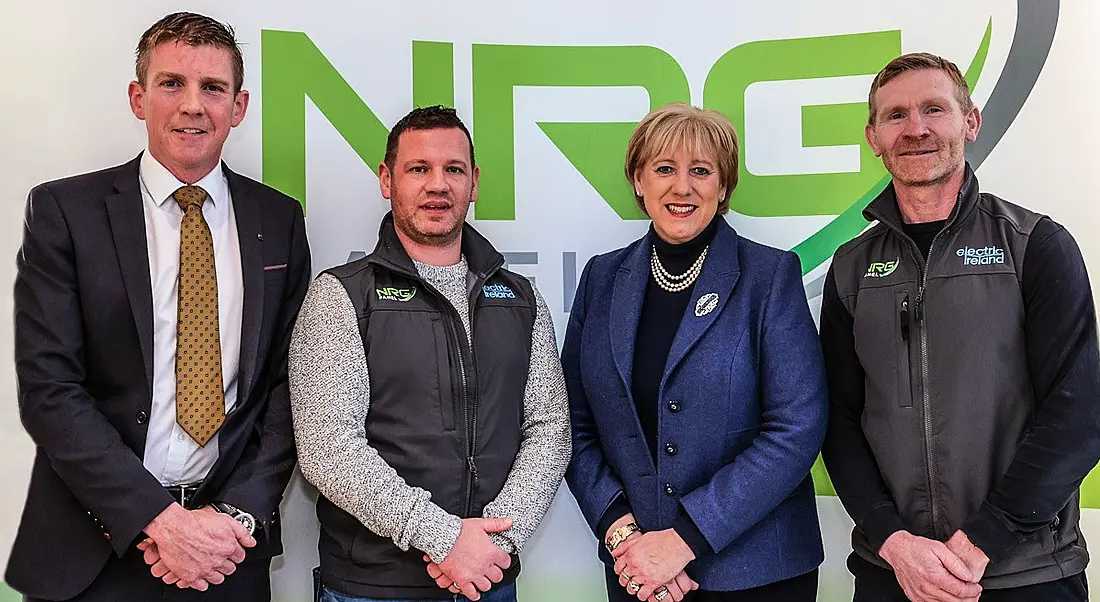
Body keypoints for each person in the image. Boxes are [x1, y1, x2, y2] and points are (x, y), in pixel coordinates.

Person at [5, 11, 311, 602]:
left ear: (239, 107)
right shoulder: (66, 212)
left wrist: (238, 518)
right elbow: (49, 389)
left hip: (228, 552)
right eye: (172, 83)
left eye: (213, 88)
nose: (193, 105)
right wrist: (159, 520)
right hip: (94, 547)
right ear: (137, 97)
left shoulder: (279, 220)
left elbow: (283, 389)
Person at [820, 52, 1100, 602]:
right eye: (895, 115)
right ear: (873, 137)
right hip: (892, 573)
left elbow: (1079, 412)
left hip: (1025, 576)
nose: (915, 128)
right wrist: (894, 541)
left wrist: (979, 543)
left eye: (933, 109)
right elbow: (838, 418)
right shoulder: (851, 269)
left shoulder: (1034, 246)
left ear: (969, 122)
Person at [289, 105, 571, 602]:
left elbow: (549, 431)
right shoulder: (341, 296)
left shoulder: (521, 298)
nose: (437, 185)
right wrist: (444, 541)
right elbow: (328, 449)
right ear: (386, 179)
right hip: (372, 589)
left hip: (488, 582)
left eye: (453, 170)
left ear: (474, 182)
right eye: (419, 169)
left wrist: (492, 546)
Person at [562, 102, 828, 602]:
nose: (682, 187)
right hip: (637, 573)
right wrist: (623, 534)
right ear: (639, 181)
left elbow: (797, 426)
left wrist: (685, 540)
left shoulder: (769, 277)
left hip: (758, 576)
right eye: (664, 169)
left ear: (722, 188)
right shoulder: (601, 280)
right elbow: (574, 424)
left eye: (701, 171)